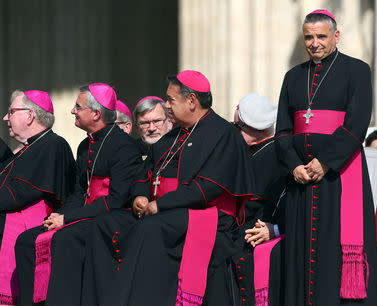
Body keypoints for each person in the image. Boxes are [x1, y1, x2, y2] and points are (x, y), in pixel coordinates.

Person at [81, 70, 256, 306]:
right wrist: (140, 197)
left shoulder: (223, 134)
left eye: (171, 100)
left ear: (192, 101)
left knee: (149, 229)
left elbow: (206, 189)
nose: (166, 105)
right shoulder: (173, 135)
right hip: (163, 210)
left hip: (205, 214)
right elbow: (143, 175)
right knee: (103, 224)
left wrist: (159, 205)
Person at [275, 9, 377, 305]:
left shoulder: (357, 70)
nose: (315, 43)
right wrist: (294, 163)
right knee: (300, 252)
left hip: (339, 176)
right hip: (301, 180)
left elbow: (356, 124)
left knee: (333, 251)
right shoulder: (293, 77)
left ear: (336, 36)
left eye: (321, 36)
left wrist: (326, 162)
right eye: (309, 37)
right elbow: (282, 130)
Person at [14, 83, 142, 306]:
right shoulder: (85, 145)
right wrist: (58, 216)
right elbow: (79, 192)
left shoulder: (124, 147)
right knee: (26, 240)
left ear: (95, 113)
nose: (73, 110)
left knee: (64, 240)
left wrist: (68, 218)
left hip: (112, 218)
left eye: (78, 107)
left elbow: (116, 200)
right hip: (85, 214)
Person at [0, 90, 76, 305]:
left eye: (11, 112)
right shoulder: (29, 148)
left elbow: (19, 193)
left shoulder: (53, 146)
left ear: (30, 115)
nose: (6, 118)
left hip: (31, 230)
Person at [232, 92, 286, 305]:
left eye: (237, 127)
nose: (233, 131)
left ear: (257, 128)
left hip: (260, 226)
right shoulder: (247, 151)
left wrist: (275, 228)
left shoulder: (276, 153)